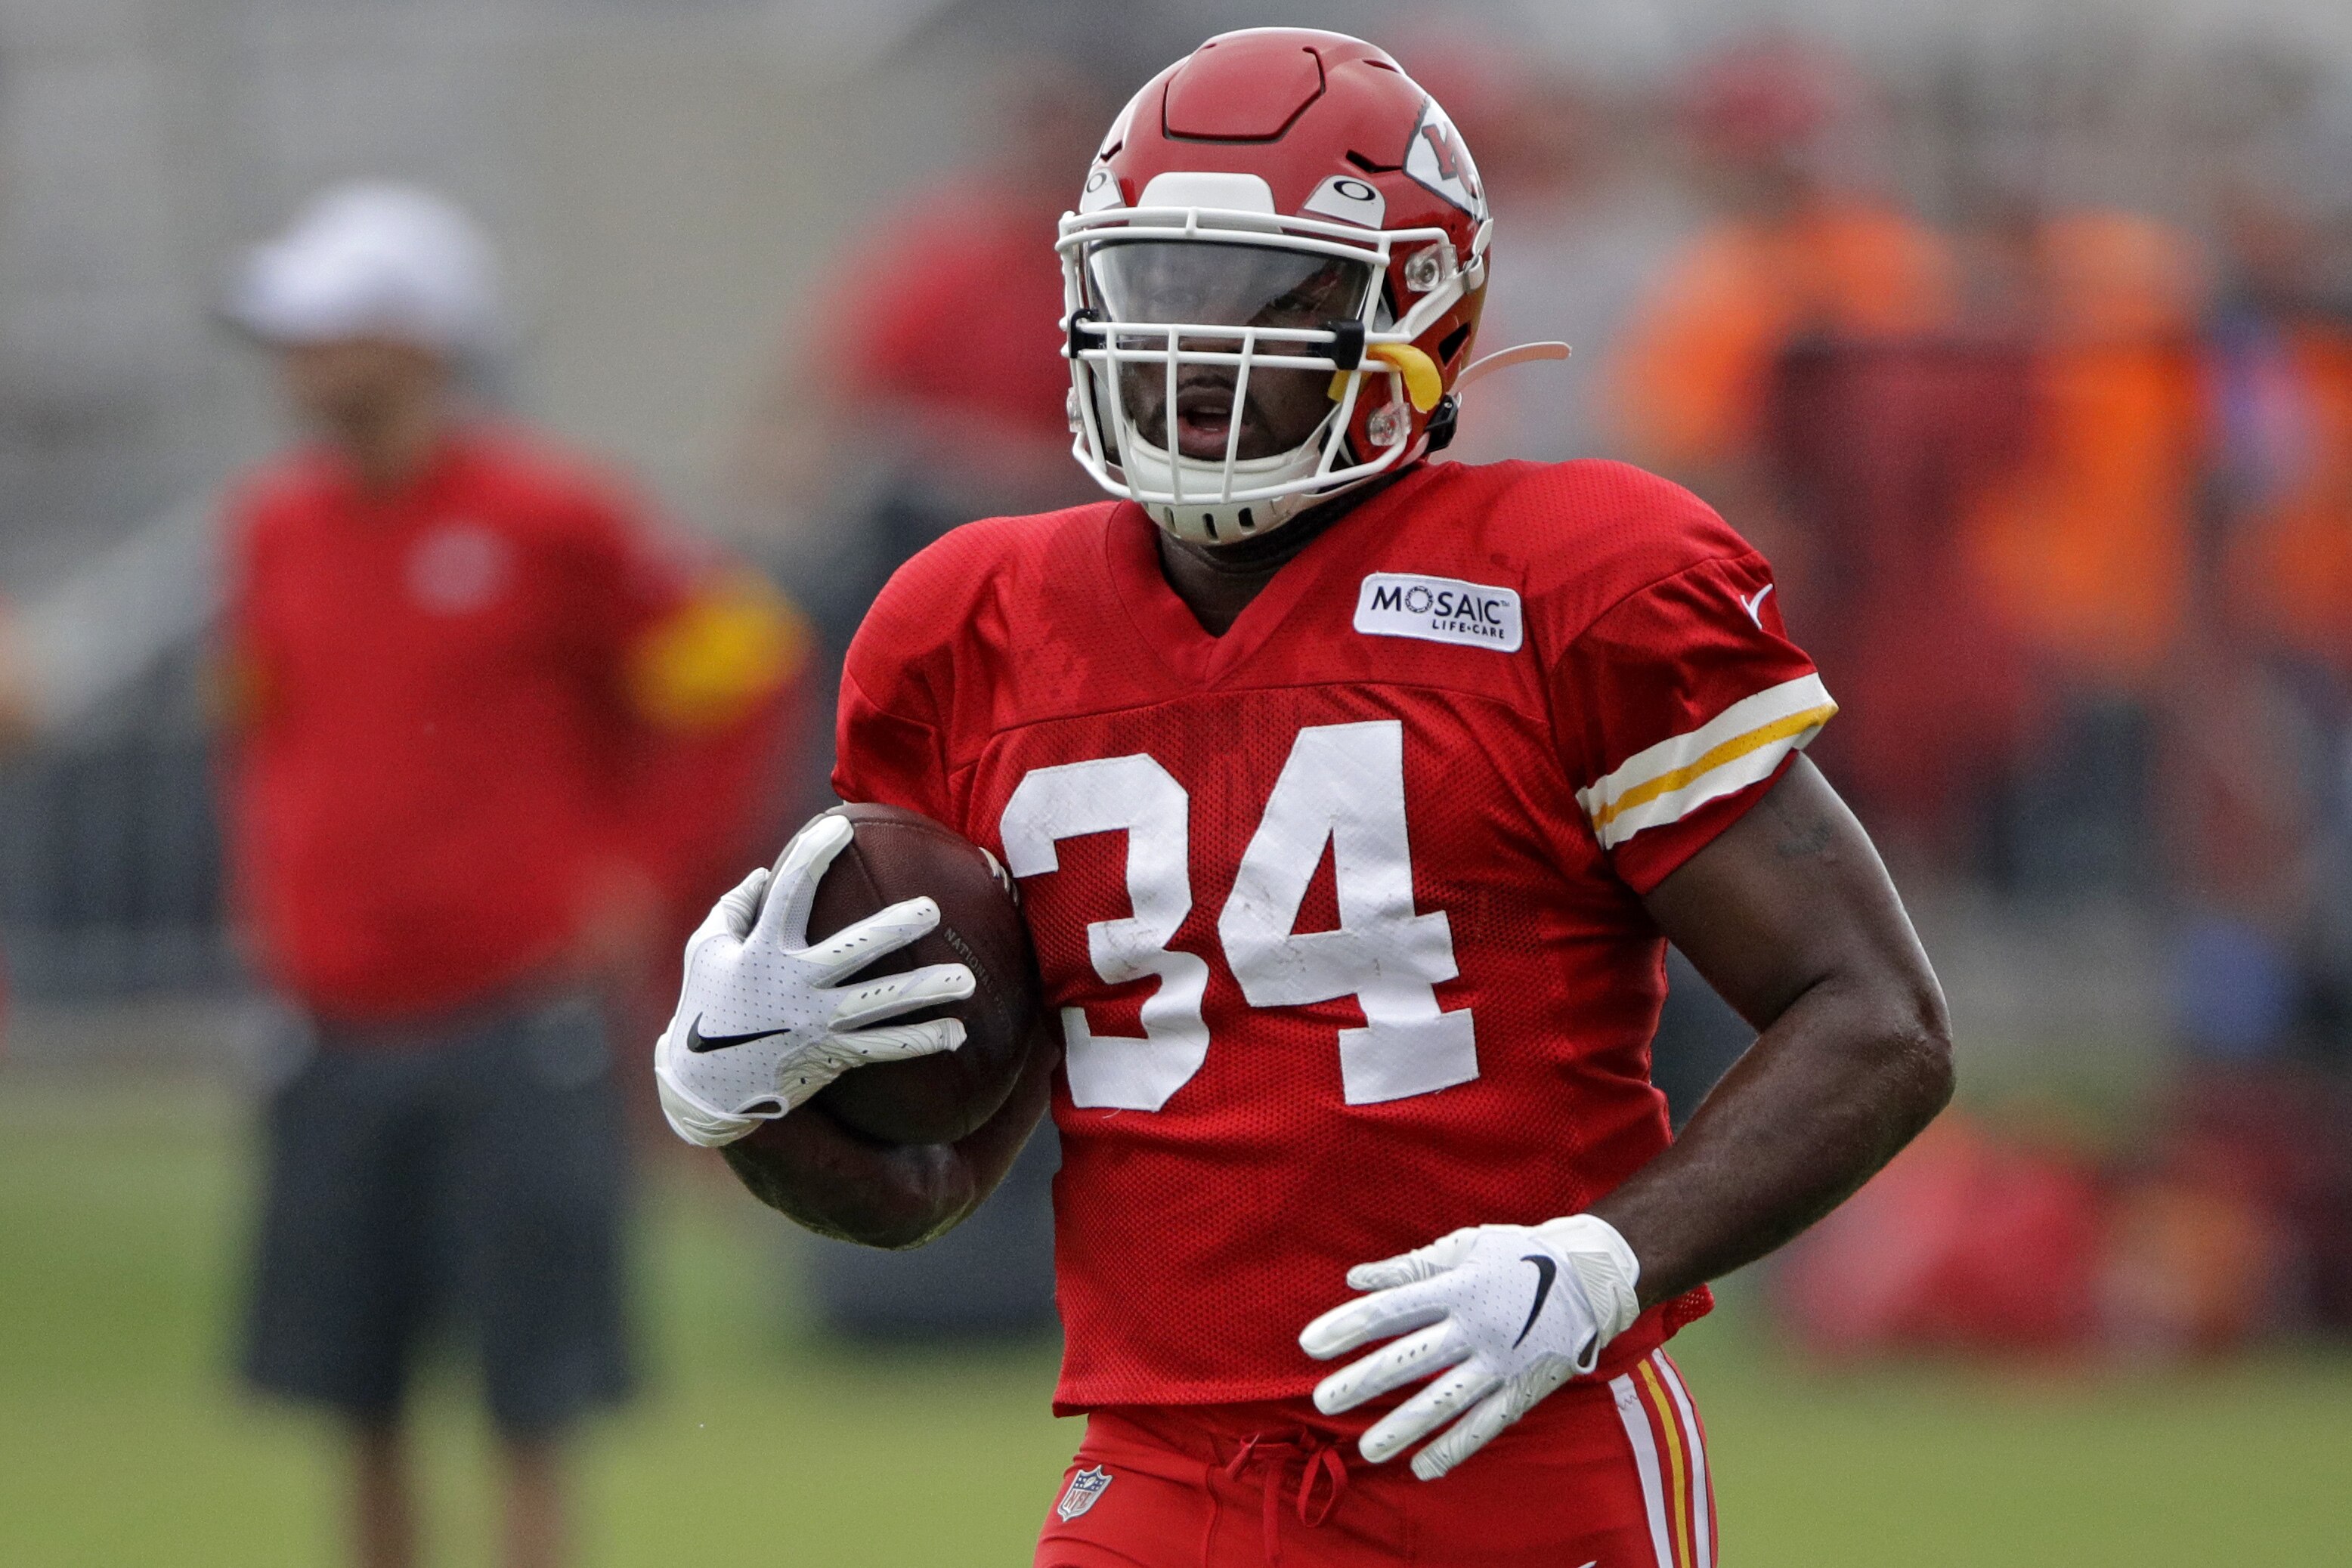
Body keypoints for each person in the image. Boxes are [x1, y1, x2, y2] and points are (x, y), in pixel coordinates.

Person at [655, 30, 1952, 1566]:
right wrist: (737, 1098)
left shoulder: (1570, 580)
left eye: (1260, 297)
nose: (1192, 352)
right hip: (1160, 1471)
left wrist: (1600, 1263)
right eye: (1153, 291)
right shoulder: (970, 627)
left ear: (1418, 310)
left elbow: (1877, 1021)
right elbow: (927, 1187)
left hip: (1516, 1436)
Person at [221, 184, 801, 1568]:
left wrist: (644, 875)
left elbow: (739, 664)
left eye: (329, 328)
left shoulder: (553, 518)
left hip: (507, 1012)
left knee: (529, 1389)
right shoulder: (270, 530)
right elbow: (269, 726)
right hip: (333, 1013)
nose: (295, 358)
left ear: (421, 342)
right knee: (350, 1390)